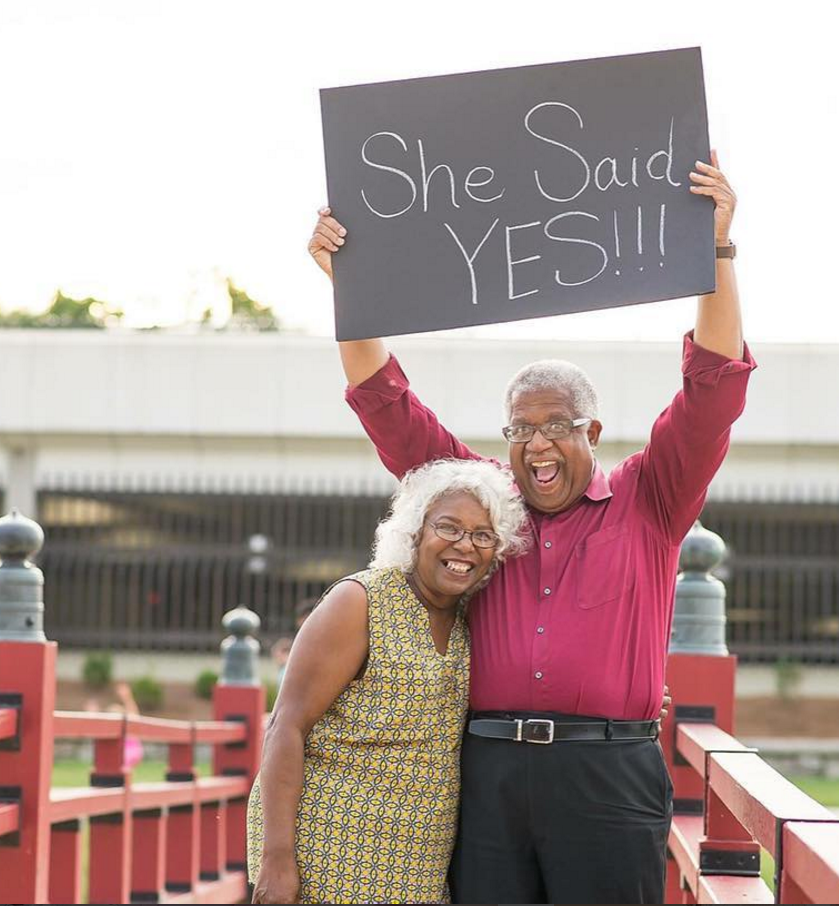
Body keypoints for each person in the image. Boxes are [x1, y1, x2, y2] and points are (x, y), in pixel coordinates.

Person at [307, 150, 754, 904]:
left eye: (555, 426)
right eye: (519, 428)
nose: (535, 444)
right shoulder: (478, 499)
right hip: (488, 774)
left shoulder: (653, 496)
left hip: (608, 777)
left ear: (593, 430)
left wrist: (717, 247)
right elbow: (388, 404)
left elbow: (713, 387)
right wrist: (349, 284)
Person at [247, 458, 528, 905]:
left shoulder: (468, 617)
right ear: (415, 531)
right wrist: (277, 857)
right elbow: (286, 725)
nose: (465, 546)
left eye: (482, 535)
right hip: (331, 844)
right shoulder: (360, 601)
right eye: (449, 528)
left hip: (419, 858)